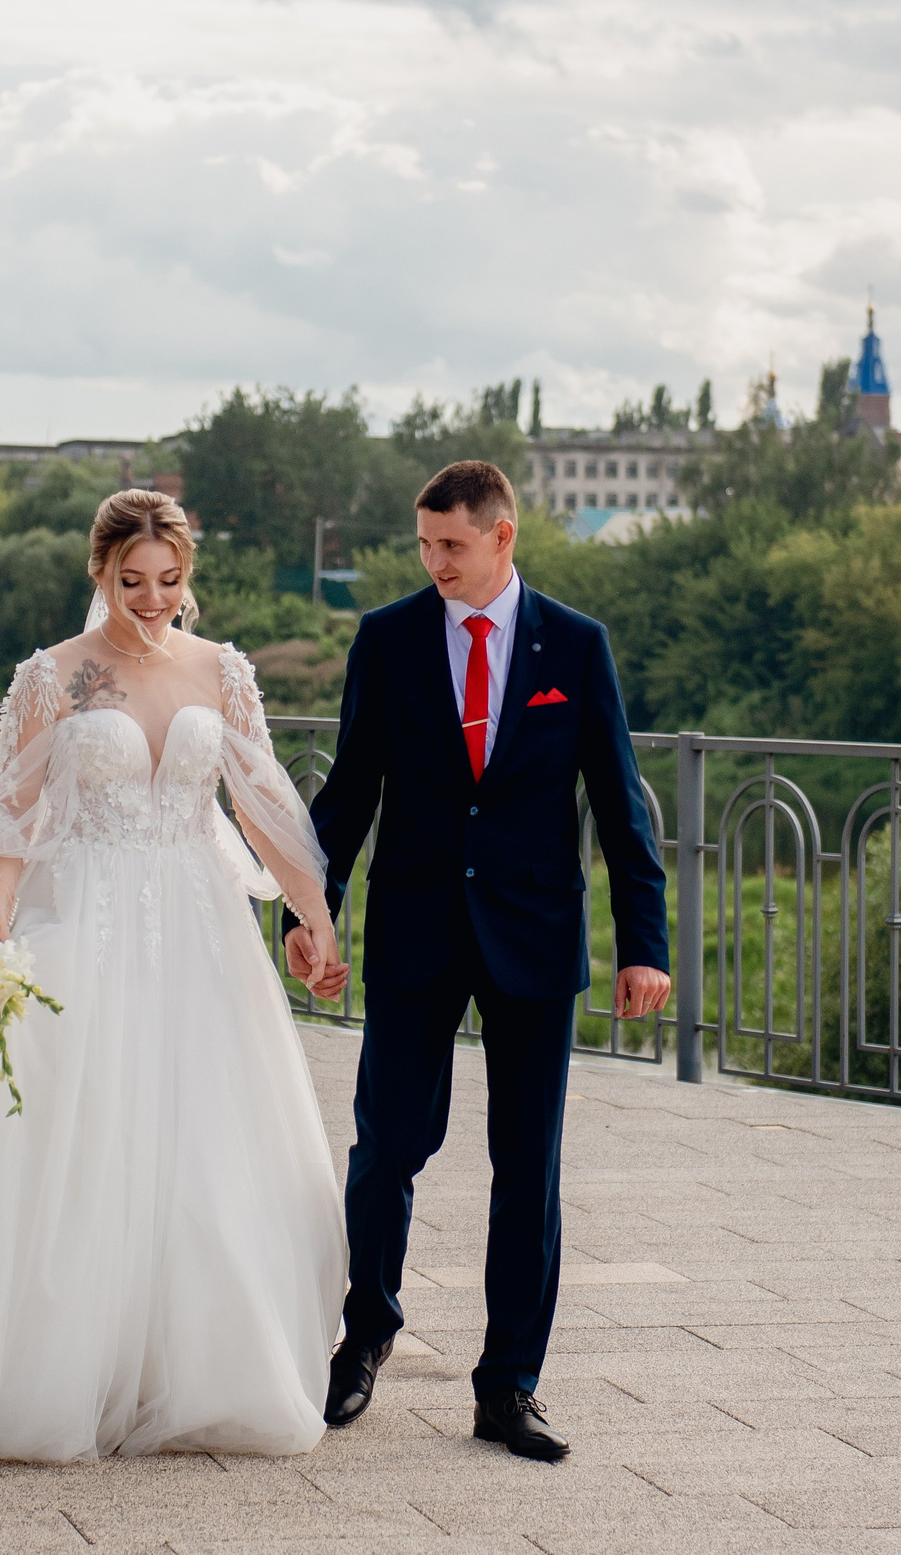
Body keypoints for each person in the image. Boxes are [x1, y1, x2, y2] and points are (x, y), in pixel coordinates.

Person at [0, 489, 352, 1461]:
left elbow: (260, 808)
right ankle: (41, 1365)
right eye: (132, 581)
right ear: (100, 573)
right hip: (82, 917)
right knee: (75, 1136)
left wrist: (315, 919)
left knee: (201, 1136)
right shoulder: (55, 676)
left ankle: (193, 1366)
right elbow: (13, 815)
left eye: (170, 580)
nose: (153, 598)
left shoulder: (224, 671)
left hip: (199, 929)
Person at [291, 460, 672, 1462]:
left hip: (535, 938)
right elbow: (348, 791)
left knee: (527, 1168)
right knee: (386, 1152)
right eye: (424, 544)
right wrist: (309, 909)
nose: (434, 562)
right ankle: (363, 1334)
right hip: (415, 928)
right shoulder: (388, 637)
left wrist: (647, 945)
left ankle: (509, 1387)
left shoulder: (576, 647)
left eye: (450, 545)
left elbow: (620, 802)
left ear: (503, 538)